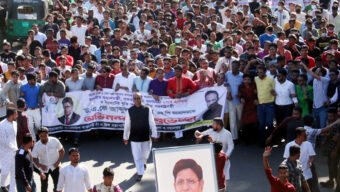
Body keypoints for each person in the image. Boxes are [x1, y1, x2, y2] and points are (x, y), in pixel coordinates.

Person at [123, 92, 158, 182]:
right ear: (133, 100)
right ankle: (140, 173)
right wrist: (125, 137)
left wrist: (154, 134)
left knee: (145, 155)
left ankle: (144, 163)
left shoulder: (147, 109)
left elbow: (152, 122)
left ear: (141, 98)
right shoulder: (130, 110)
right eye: (135, 98)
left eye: (138, 98)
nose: (136, 100)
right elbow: (127, 125)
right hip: (135, 138)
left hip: (146, 137)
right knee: (137, 156)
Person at [195, 118, 234, 183]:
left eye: (213, 124)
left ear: (219, 125)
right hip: (212, 159)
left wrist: (226, 156)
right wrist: (197, 133)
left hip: (223, 161)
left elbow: (231, 146)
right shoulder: (210, 131)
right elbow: (200, 134)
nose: (212, 125)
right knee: (212, 179)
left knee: (223, 180)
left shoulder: (227, 134)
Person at [283, 127, 319, 192]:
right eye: (305, 135)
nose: (307, 137)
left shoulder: (308, 144)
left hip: (307, 175)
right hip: (295, 177)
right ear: (299, 136)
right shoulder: (289, 145)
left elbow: (312, 156)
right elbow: (286, 160)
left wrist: (310, 161)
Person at [32, 127, 65, 192]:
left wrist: (57, 162)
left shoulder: (54, 140)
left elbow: (62, 151)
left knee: (57, 185)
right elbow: (34, 158)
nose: (43, 138)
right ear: (39, 136)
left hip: (55, 167)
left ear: (48, 134)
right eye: (41, 136)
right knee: (44, 187)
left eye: (45, 136)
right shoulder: (36, 146)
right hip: (44, 168)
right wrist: (40, 165)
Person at [255, 66, 275, 146]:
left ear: (265, 72)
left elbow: (275, 90)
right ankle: (262, 142)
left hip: (269, 105)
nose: (259, 74)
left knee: (270, 124)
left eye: (261, 72)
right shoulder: (256, 79)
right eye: (258, 72)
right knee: (261, 124)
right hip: (260, 105)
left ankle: (270, 141)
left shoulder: (271, 79)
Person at [225, 60, 243, 140]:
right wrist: (228, 93)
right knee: (232, 120)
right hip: (231, 100)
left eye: (235, 67)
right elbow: (225, 84)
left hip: (239, 101)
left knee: (240, 119)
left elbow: (244, 87)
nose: (233, 68)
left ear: (239, 67)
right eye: (232, 66)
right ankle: (234, 138)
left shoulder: (242, 76)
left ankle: (239, 133)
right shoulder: (228, 74)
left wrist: (241, 94)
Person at [0, 108, 18, 192]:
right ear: (12, 115)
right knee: (5, 172)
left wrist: (15, 149)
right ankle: (2, 185)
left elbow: (14, 138)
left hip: (14, 151)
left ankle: (12, 190)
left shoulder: (15, 123)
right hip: (5, 152)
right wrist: (14, 148)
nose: (17, 116)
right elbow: (3, 140)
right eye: (16, 114)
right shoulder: (2, 125)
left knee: (14, 172)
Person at [20, 72, 41, 141]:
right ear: (28, 80)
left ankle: (39, 136)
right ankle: (34, 140)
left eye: (35, 79)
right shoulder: (23, 87)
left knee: (38, 125)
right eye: (33, 80)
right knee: (30, 126)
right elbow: (21, 98)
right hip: (27, 110)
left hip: (37, 109)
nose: (34, 81)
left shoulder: (39, 86)